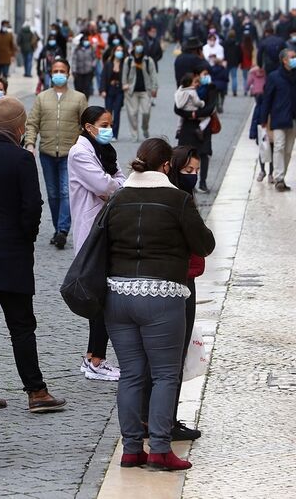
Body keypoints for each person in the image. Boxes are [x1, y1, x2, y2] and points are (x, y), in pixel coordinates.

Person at [104, 138, 215, 471]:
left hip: (118, 295)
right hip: (162, 296)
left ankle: (131, 449)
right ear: (166, 165)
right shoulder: (177, 199)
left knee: (131, 375)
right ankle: (160, 449)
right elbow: (205, 244)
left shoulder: (118, 197)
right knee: (165, 375)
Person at [0, 97, 66, 412]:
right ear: (20, 126)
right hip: (13, 254)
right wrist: (27, 238)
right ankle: (36, 391)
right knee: (22, 326)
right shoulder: (22, 159)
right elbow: (32, 206)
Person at [68, 106, 125, 381]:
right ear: (88, 127)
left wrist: (112, 187)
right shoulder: (80, 153)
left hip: (104, 228)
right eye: (103, 124)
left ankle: (92, 356)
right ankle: (96, 360)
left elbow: (120, 182)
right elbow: (105, 187)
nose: (108, 129)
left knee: (101, 294)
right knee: (99, 296)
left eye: (110, 124)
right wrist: (111, 187)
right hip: (92, 229)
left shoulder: (106, 151)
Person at [156, 145, 207, 441]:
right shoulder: (179, 200)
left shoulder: (173, 195)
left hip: (176, 278)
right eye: (188, 170)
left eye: (196, 171)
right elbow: (203, 242)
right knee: (173, 357)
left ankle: (156, 420)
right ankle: (166, 422)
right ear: (172, 167)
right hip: (181, 280)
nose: (193, 176)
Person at [25, 58, 88, 249]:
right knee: (52, 194)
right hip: (47, 152)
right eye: (55, 71)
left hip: (70, 153)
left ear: (68, 74)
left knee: (66, 192)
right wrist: (30, 143)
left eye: (62, 71)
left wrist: (83, 147)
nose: (59, 74)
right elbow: (32, 123)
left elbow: (85, 125)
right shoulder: (42, 98)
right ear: (51, 74)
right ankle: (57, 228)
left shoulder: (79, 98)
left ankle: (62, 230)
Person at [260, 49, 296, 192]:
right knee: (279, 146)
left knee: (288, 150)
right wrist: (263, 118)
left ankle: (282, 176)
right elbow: (267, 98)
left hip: (293, 118)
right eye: (292, 57)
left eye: (295, 57)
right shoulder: (274, 77)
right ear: (284, 60)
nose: (295, 59)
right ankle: (279, 178)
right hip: (279, 117)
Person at [174, 68, 218, 193]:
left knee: (204, 154)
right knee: (184, 154)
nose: (205, 77)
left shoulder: (211, 88)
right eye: (204, 74)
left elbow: (211, 107)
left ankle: (202, 183)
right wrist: (190, 114)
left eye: (208, 74)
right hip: (188, 126)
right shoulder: (187, 88)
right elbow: (177, 108)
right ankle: (185, 182)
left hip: (203, 128)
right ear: (197, 75)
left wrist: (195, 114)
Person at [122, 39, 159, 142]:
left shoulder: (148, 60)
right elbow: (124, 74)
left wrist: (154, 88)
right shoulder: (128, 60)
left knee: (146, 112)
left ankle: (145, 127)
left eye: (141, 45)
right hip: (131, 91)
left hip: (145, 90)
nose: (139, 47)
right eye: (137, 45)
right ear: (133, 47)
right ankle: (134, 134)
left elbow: (153, 75)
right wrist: (124, 85)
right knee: (132, 113)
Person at [101, 43, 127, 139]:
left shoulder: (124, 64)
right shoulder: (108, 63)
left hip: (119, 90)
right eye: (118, 50)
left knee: (117, 112)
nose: (119, 52)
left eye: (121, 51)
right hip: (109, 90)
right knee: (108, 113)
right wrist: (103, 90)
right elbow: (103, 77)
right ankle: (108, 132)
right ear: (114, 52)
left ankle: (115, 134)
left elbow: (128, 76)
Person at [174, 73, 205, 138]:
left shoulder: (180, 91)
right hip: (193, 110)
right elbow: (196, 102)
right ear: (189, 83)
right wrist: (202, 103)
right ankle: (200, 128)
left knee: (180, 119)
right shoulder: (192, 91)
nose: (197, 84)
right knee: (207, 118)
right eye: (195, 82)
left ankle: (178, 130)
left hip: (184, 110)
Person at [72, 35, 97, 99]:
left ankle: (85, 100)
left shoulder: (91, 48)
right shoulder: (77, 49)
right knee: (78, 87)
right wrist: (74, 70)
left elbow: (94, 58)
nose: (86, 42)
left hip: (88, 71)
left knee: (87, 88)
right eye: (84, 40)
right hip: (79, 71)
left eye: (87, 40)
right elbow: (74, 60)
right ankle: (79, 100)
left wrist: (93, 65)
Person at [224, 30, 242, 96]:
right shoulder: (237, 43)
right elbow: (240, 53)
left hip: (227, 61)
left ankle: (225, 91)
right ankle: (234, 91)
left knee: (225, 77)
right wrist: (239, 61)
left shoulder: (225, 43)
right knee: (234, 77)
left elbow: (224, 52)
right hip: (235, 62)